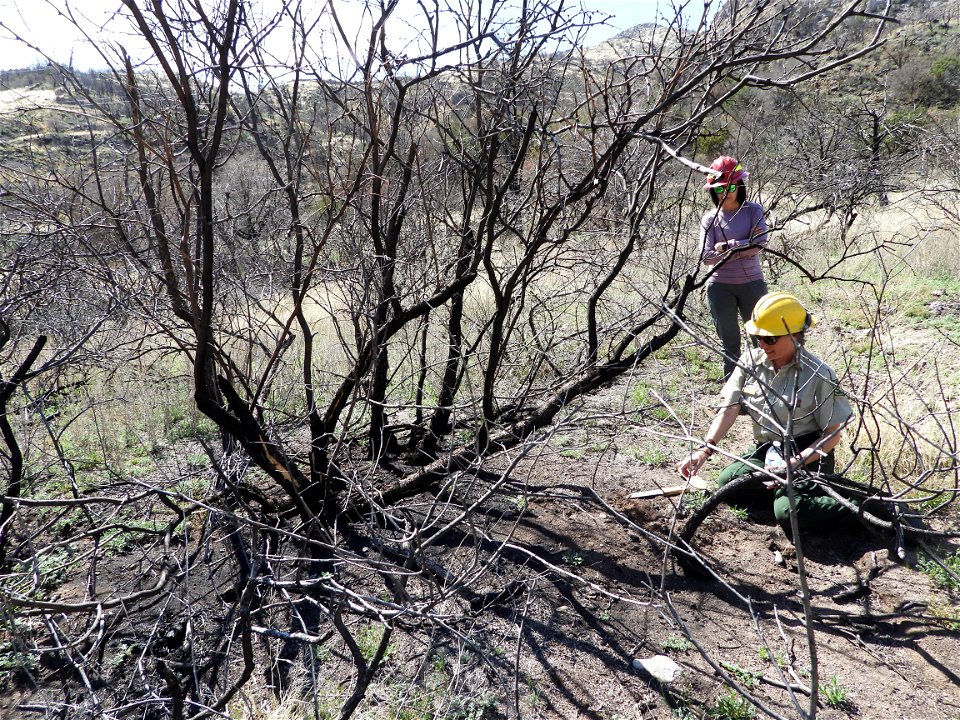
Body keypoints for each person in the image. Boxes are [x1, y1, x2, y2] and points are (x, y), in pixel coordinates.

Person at [675, 291, 856, 531]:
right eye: (758, 337)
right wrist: (703, 451)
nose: (762, 344)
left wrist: (794, 463)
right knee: (728, 483)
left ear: (796, 335)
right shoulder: (750, 362)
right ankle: (784, 493)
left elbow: (832, 435)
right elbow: (729, 409)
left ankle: (864, 505)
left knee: (791, 514)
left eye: (770, 339)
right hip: (768, 449)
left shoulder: (819, 373)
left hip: (807, 452)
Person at [700, 155, 770, 379]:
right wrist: (738, 248)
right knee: (730, 342)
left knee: (761, 338)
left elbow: (758, 244)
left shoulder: (753, 211)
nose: (726, 192)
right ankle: (733, 392)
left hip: (752, 284)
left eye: (731, 186)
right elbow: (706, 256)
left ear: (739, 185)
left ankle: (765, 385)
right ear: (713, 191)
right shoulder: (709, 219)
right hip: (720, 286)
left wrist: (727, 247)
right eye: (720, 189)